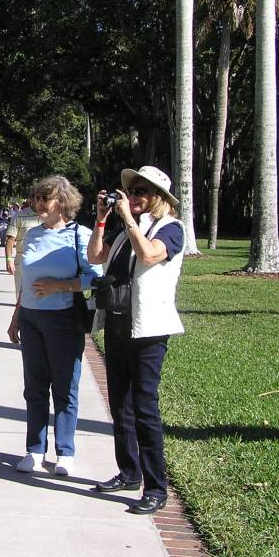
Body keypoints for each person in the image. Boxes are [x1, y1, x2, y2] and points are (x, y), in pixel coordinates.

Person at [87, 166, 185, 514]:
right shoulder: (125, 230)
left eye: (142, 191)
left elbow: (149, 255)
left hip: (148, 332)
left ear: (159, 197)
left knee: (145, 409)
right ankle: (129, 472)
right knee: (121, 407)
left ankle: (156, 488)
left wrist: (128, 218)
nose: (134, 197)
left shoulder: (171, 229)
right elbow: (94, 256)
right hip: (118, 327)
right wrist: (101, 220)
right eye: (131, 191)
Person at [7, 176, 102, 476]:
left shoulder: (79, 235)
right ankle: (34, 451)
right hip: (31, 319)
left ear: (62, 202)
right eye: (36, 198)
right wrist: (17, 315)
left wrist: (60, 286)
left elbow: (95, 278)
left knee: (64, 387)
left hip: (63, 319)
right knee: (34, 388)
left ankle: (65, 452)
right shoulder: (32, 235)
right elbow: (26, 281)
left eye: (44, 199)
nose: (38, 204)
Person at [4, 197, 42, 298]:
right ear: (31, 200)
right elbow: (10, 239)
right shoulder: (19, 216)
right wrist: (8, 260)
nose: (41, 201)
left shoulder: (48, 216)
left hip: (43, 263)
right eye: (38, 198)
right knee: (21, 297)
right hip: (22, 263)